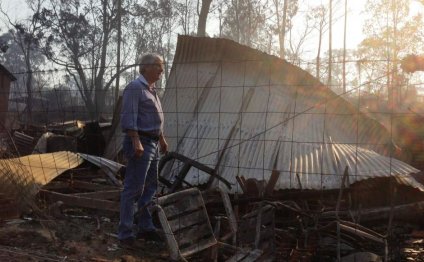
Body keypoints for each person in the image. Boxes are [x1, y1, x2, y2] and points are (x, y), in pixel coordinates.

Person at [118, 53, 168, 246]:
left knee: (150, 187)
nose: (161, 70)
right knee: (133, 188)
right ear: (145, 67)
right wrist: (136, 141)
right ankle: (125, 232)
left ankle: (145, 227)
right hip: (141, 143)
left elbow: (156, 119)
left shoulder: (152, 90)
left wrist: (162, 139)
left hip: (153, 143)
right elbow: (129, 118)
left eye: (162, 66)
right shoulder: (135, 88)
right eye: (158, 66)